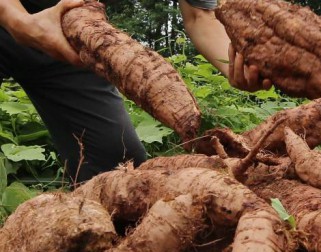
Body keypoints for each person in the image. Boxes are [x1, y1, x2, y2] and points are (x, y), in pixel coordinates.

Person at [0, 0, 267, 184]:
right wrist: (18, 20)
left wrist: (240, 64)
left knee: (116, 164)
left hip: (70, 45)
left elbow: (200, 15)